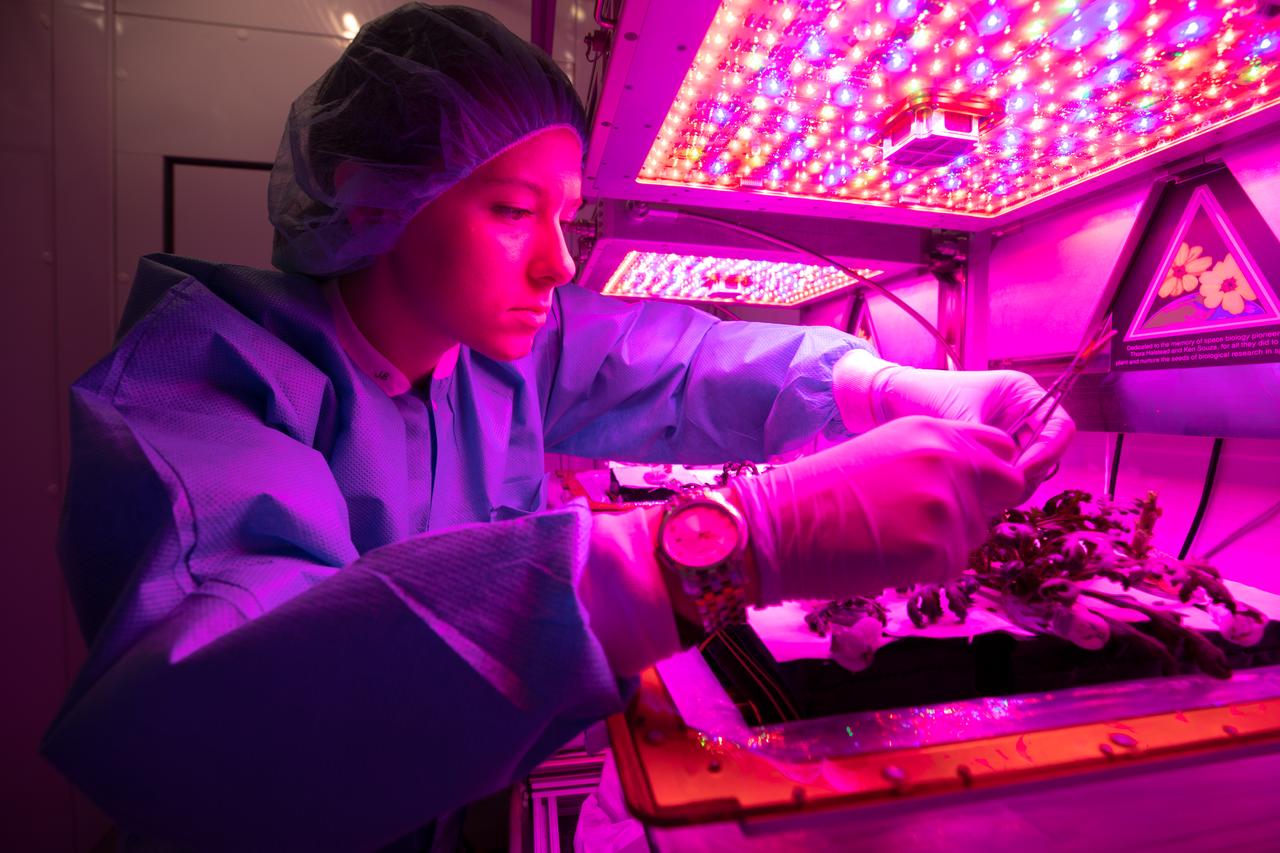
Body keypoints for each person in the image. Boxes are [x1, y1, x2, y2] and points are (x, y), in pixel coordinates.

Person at [41, 4, 1074, 851]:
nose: (558, 264)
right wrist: (716, 549)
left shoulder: (488, 357)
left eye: (564, 218)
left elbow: (681, 365)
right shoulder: (197, 386)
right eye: (508, 212)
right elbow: (235, 732)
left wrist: (880, 383)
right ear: (366, 197)